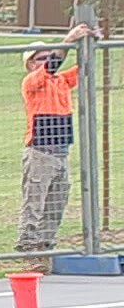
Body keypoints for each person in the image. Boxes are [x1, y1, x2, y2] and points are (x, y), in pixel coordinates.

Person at [18, 24, 100, 258]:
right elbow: (54, 63)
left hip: (61, 153)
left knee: (56, 203)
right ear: (31, 64)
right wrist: (69, 39)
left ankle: (44, 246)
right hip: (40, 152)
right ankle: (28, 246)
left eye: (47, 57)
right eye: (41, 58)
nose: (46, 61)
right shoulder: (32, 82)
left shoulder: (60, 81)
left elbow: (85, 68)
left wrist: (90, 42)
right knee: (34, 201)